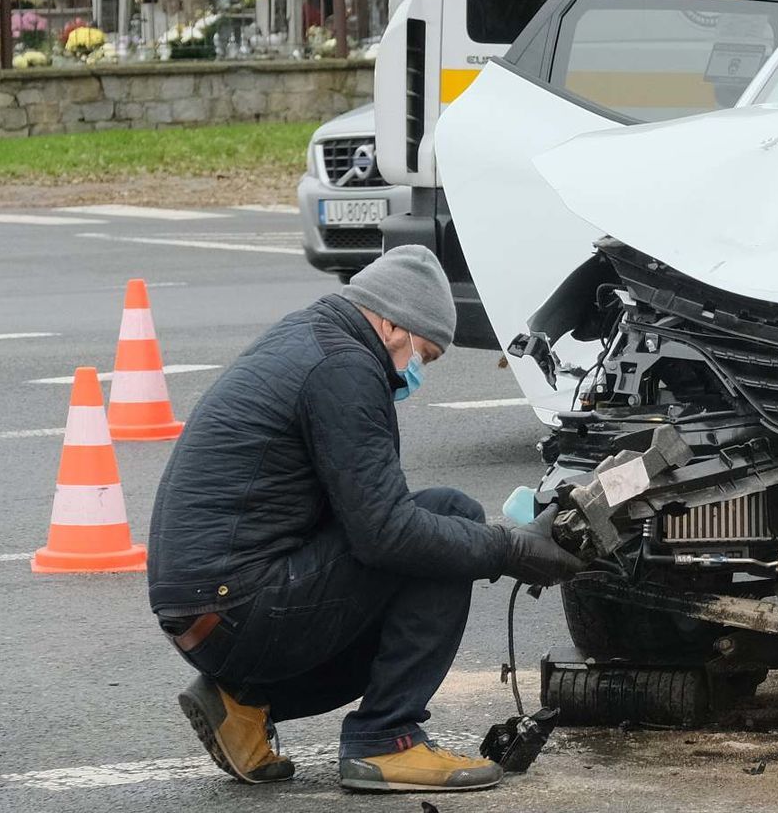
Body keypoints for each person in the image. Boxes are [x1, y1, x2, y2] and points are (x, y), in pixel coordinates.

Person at [147, 246, 586, 793]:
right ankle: (386, 739)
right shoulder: (345, 369)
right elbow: (388, 535)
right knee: (448, 518)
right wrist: (508, 549)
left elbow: (361, 519)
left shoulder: (310, 341)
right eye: (423, 354)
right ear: (390, 322)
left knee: (439, 531)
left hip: (207, 609)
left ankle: (244, 703)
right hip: (237, 604)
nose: (415, 371)